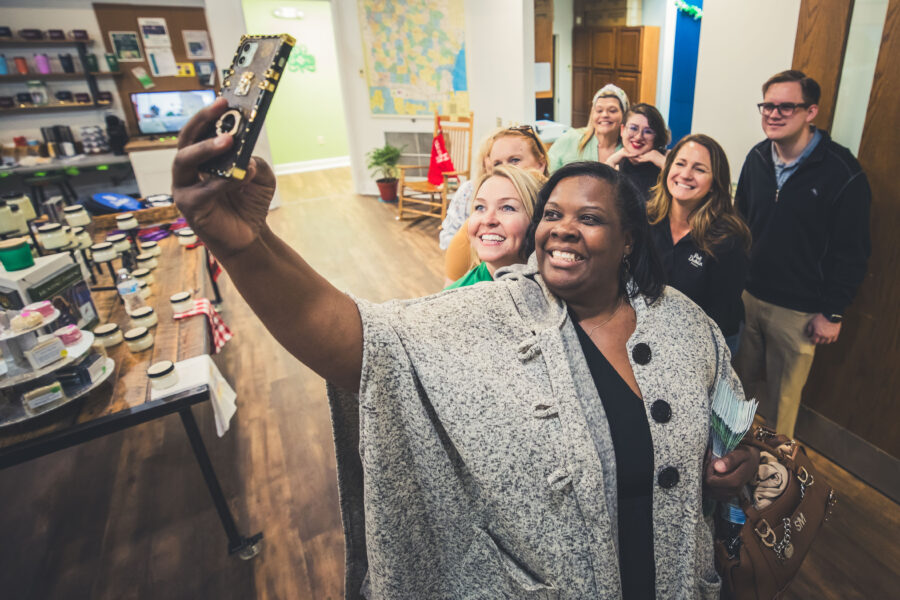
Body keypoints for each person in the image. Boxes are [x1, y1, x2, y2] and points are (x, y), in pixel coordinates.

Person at [173, 99, 760, 599]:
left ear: (629, 240)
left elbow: (731, 428)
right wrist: (248, 245)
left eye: (589, 218)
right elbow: (361, 342)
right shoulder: (490, 314)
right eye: (551, 214)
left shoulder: (684, 325)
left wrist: (738, 464)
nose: (561, 228)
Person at [734, 70, 871, 438]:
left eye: (785, 107)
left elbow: (852, 251)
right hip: (747, 297)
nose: (773, 114)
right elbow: (739, 222)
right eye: (767, 106)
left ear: (810, 112)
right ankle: (728, 466)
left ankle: (775, 481)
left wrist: (833, 312)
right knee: (733, 392)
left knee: (783, 406)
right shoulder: (758, 157)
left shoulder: (843, 172)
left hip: (799, 311)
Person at [647, 134, 751, 355]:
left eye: (699, 169)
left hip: (703, 344)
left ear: (715, 184)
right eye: (680, 163)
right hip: (651, 335)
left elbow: (719, 318)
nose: (685, 175)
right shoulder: (648, 219)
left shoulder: (727, 240)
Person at [443, 125, 549, 284]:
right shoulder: (471, 232)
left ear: (541, 164)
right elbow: (450, 287)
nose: (488, 219)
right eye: (498, 164)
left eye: (515, 160)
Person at [445, 165, 544, 289]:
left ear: (536, 221)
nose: (487, 220)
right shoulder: (454, 297)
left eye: (507, 208)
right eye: (480, 207)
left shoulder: (559, 289)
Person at [438, 130, 498, 250]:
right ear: (484, 160)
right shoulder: (468, 190)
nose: (502, 163)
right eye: (493, 155)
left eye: (514, 159)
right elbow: (448, 237)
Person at [548, 84, 629, 171]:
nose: (604, 115)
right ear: (592, 114)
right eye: (599, 110)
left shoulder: (629, 150)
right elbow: (546, 176)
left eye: (612, 111)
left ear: (624, 115)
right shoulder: (569, 139)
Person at [606, 103, 669, 203]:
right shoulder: (617, 165)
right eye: (633, 128)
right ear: (622, 130)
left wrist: (663, 163)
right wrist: (610, 162)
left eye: (648, 131)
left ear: (656, 137)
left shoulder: (667, 161)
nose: (639, 137)